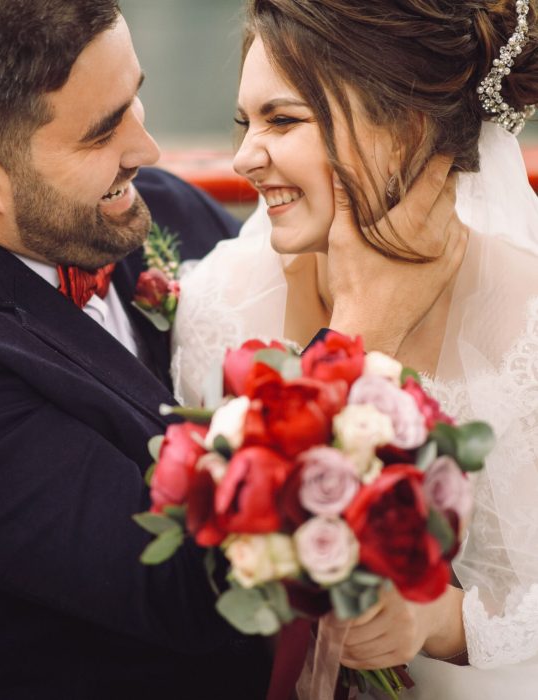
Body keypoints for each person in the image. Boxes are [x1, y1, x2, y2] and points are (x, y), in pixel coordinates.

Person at [0, 1, 465, 699]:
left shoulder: (157, 208)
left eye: (134, 98)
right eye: (102, 132)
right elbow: (198, 593)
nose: (148, 149)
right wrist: (362, 333)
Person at [172, 0, 538, 698]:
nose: (245, 156)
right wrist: (367, 327)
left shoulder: (528, 322)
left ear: (399, 129)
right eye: (244, 122)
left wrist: (444, 620)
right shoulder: (219, 303)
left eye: (282, 120)